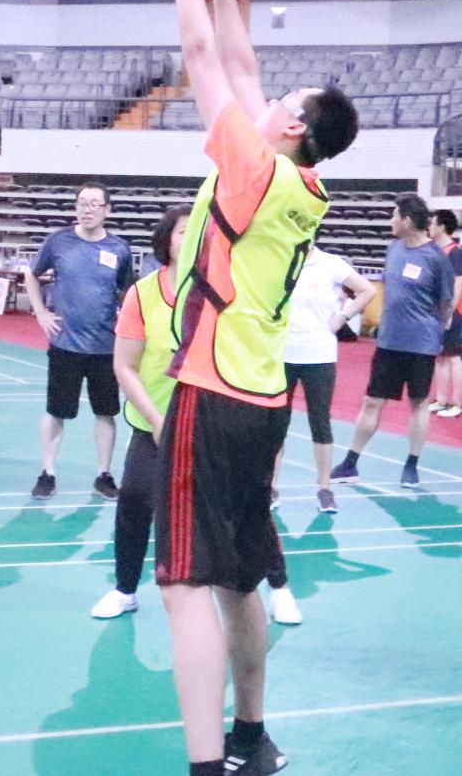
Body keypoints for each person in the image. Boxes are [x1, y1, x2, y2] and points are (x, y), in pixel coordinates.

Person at [155, 0, 358, 776]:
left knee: (184, 586)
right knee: (240, 577)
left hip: (210, 390)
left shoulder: (252, 167)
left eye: (285, 98)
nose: (267, 96)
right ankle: (251, 737)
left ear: (294, 125)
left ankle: (207, 765)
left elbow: (203, 51)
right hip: (263, 399)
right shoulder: (302, 185)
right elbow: (240, 62)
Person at [96, 207, 304, 626]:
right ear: (166, 241)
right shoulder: (142, 294)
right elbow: (125, 366)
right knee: (134, 501)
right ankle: (125, 589)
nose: (191, 238)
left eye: (199, 232)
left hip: (214, 423)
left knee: (248, 507)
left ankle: (279, 587)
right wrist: (159, 423)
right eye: (182, 232)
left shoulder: (224, 291)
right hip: (155, 424)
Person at [330, 193, 454, 490]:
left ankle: (411, 465)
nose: (391, 221)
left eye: (394, 215)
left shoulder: (436, 258)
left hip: (421, 345)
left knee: (418, 402)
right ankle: (350, 463)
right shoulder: (393, 249)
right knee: (372, 401)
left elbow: (446, 303)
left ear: (407, 220)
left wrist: (432, 331)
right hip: (388, 343)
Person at [23, 182, 137, 500]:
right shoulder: (58, 241)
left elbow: (127, 293)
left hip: (105, 347)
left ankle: (104, 475)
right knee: (55, 411)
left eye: (94, 204)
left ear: (107, 210)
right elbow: (31, 274)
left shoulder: (119, 249)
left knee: (106, 412)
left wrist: (128, 326)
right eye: (82, 203)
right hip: (65, 345)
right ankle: (47, 473)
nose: (87, 209)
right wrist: (41, 312)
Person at [280, 242, 375, 513]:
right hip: (282, 353)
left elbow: (367, 290)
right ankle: (270, 486)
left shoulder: (330, 263)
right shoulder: (279, 259)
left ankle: (324, 489)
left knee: (320, 422)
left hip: (319, 354)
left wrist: (342, 317)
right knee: (277, 423)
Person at [427, 209, 462, 417]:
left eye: (432, 223)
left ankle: (457, 404)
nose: (429, 227)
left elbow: (457, 284)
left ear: (442, 226)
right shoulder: (436, 250)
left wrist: (449, 313)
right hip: (437, 311)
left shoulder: (455, 252)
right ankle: (441, 400)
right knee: (440, 357)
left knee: (453, 357)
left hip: (452, 312)